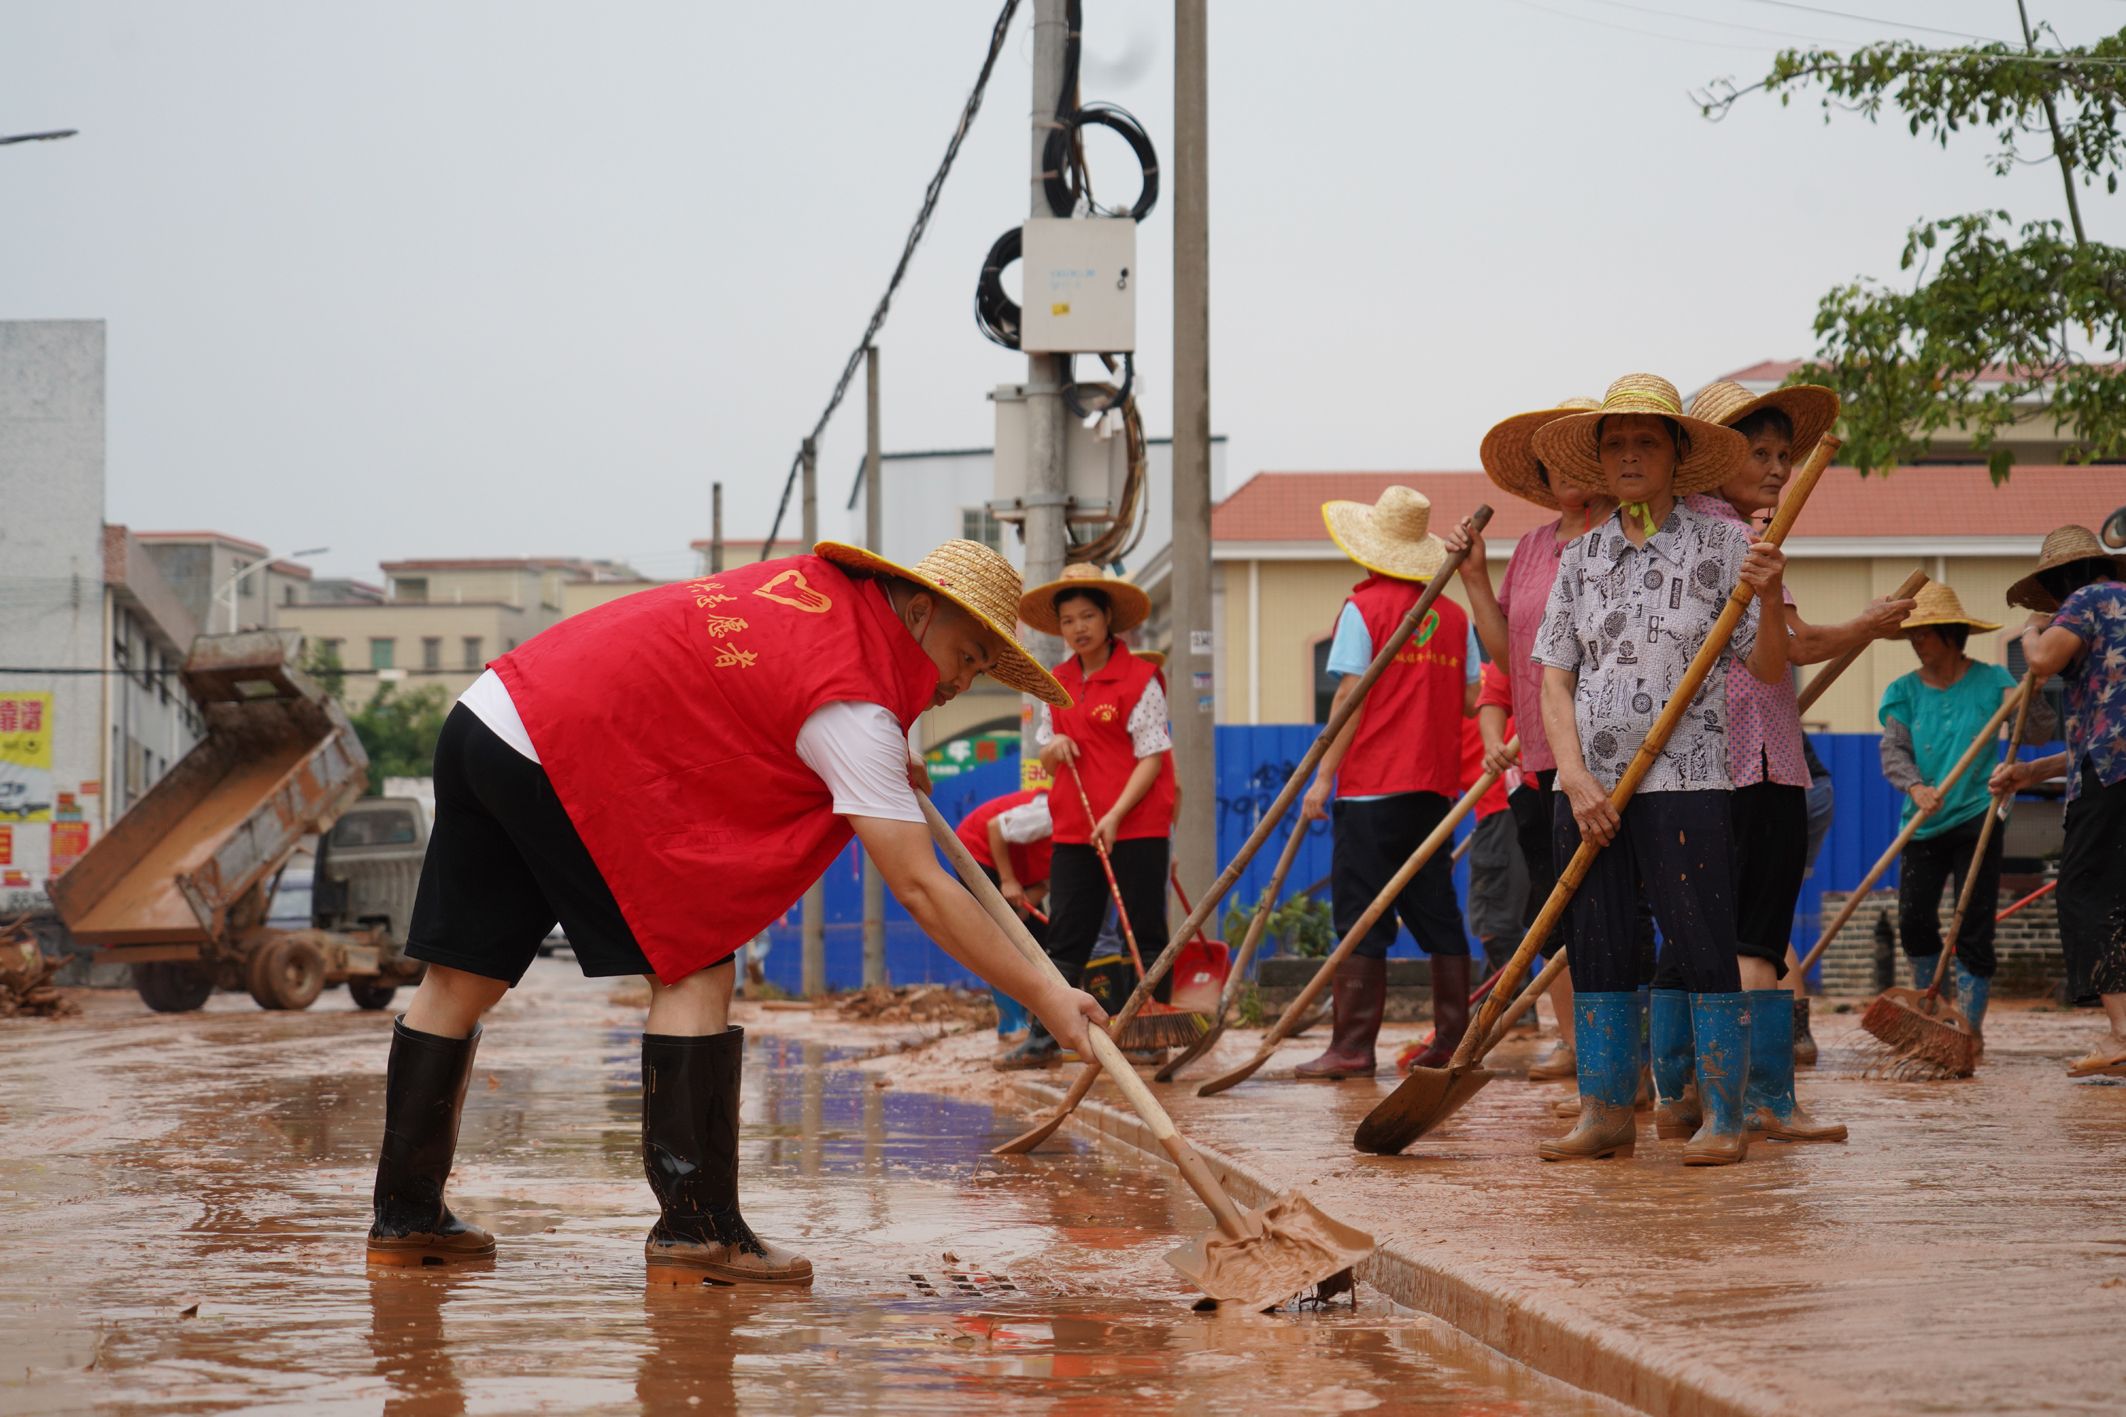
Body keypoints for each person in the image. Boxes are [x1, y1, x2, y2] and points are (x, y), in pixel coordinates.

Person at [364, 540, 1106, 1283]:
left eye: (980, 668)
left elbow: (764, 701)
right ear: (917, 610)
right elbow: (922, 887)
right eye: (967, 653)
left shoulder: (816, 601)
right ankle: (697, 1231)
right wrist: (1047, 993)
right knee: (693, 962)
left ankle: (405, 1216)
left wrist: (886, 751)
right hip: (565, 743)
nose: (960, 681)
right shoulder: (854, 702)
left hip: (490, 714)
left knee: (461, 978)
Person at [1526, 372, 1788, 1166]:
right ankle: (1606, 1110)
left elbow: (1769, 666)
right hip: (1595, 793)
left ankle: (1724, 1117)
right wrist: (1572, 776)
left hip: (1691, 780)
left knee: (1703, 940)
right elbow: (1554, 678)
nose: (1630, 455)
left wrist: (1768, 597)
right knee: (1599, 939)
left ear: (1678, 455)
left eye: (1647, 441)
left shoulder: (1724, 548)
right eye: (1616, 444)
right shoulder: (1581, 558)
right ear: (1600, 462)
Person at [1663, 379, 1910, 1144]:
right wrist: (1866, 624)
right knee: (1754, 938)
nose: (1777, 469)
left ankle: (1681, 1100)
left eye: (1782, 455)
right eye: (1758, 454)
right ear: (1713, 461)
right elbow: (1792, 648)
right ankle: (1764, 1100)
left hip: (1692, 769)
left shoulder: (1676, 533)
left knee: (1690, 941)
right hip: (1757, 760)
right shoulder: (1742, 543)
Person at [1298, 486, 1480, 1078]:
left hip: (1370, 787)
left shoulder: (1364, 608)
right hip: (1432, 790)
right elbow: (1476, 698)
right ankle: (1453, 1040)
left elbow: (1350, 695)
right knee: (1436, 911)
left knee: (1359, 915)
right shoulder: (1453, 617)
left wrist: (1323, 776)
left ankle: (1352, 1047)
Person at [1452, 397, 1610, 1083]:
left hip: (1608, 753)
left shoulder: (1624, 535)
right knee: (1553, 906)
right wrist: (1474, 576)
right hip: (1540, 756)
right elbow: (1503, 648)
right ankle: (1576, 1042)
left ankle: (1624, 1053)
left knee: (1615, 908)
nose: (1562, 474)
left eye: (1575, 459)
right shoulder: (1533, 548)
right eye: (1551, 465)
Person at [998, 565, 1175, 1069]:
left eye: (1088, 616)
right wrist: (1055, 745)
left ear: (1108, 619)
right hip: (1074, 828)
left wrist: (1117, 815)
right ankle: (1043, 1037)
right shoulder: (1055, 683)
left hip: (1136, 827)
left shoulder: (1141, 679)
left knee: (1144, 929)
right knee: (1066, 933)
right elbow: (1045, 756)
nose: (1078, 627)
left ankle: (1150, 1030)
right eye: (1069, 619)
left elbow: (1152, 757)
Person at [1877, 580, 2043, 1041]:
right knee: (1914, 920)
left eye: (1923, 635)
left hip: (1978, 814)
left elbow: (2033, 731)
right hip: (1924, 820)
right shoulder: (1903, 691)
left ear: (1951, 634)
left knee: (1972, 923)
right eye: (1911, 636)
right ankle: (1933, 1013)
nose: (1916, 644)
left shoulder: (1994, 681)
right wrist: (1915, 787)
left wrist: (2037, 685)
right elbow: (1893, 752)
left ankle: (1969, 1029)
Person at [1992, 525, 2126, 1077]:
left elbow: (2043, 661)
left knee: (2085, 893)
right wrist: (2030, 771)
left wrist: (2030, 632)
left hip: (2112, 775)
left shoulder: (2089, 598)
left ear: (2063, 581)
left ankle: (2121, 1033)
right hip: (2110, 769)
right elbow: (2102, 731)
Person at [955, 787, 1054, 1038]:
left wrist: (1019, 909)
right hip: (979, 850)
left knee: (1039, 940)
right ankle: (1011, 1024)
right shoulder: (1051, 812)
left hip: (1020, 869)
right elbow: (996, 827)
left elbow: (1046, 883)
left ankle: (1040, 1024)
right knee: (999, 939)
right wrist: (1008, 881)